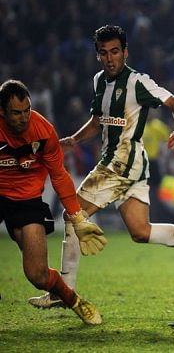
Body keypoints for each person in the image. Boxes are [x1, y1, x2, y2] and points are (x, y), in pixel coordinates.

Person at [28, 25, 174, 309]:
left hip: (122, 163)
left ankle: (62, 292)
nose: (110, 58)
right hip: (123, 163)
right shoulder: (99, 80)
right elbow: (98, 120)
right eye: (103, 53)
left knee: (73, 215)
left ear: (125, 52)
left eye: (115, 52)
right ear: (97, 55)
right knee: (140, 232)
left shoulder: (138, 82)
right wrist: (74, 139)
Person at [0, 79, 104, 325]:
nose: (24, 118)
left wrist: (77, 217)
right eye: (16, 113)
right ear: (2, 111)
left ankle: (72, 299)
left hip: (27, 200)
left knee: (37, 274)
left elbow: (59, 176)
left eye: (27, 110)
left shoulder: (43, 131)